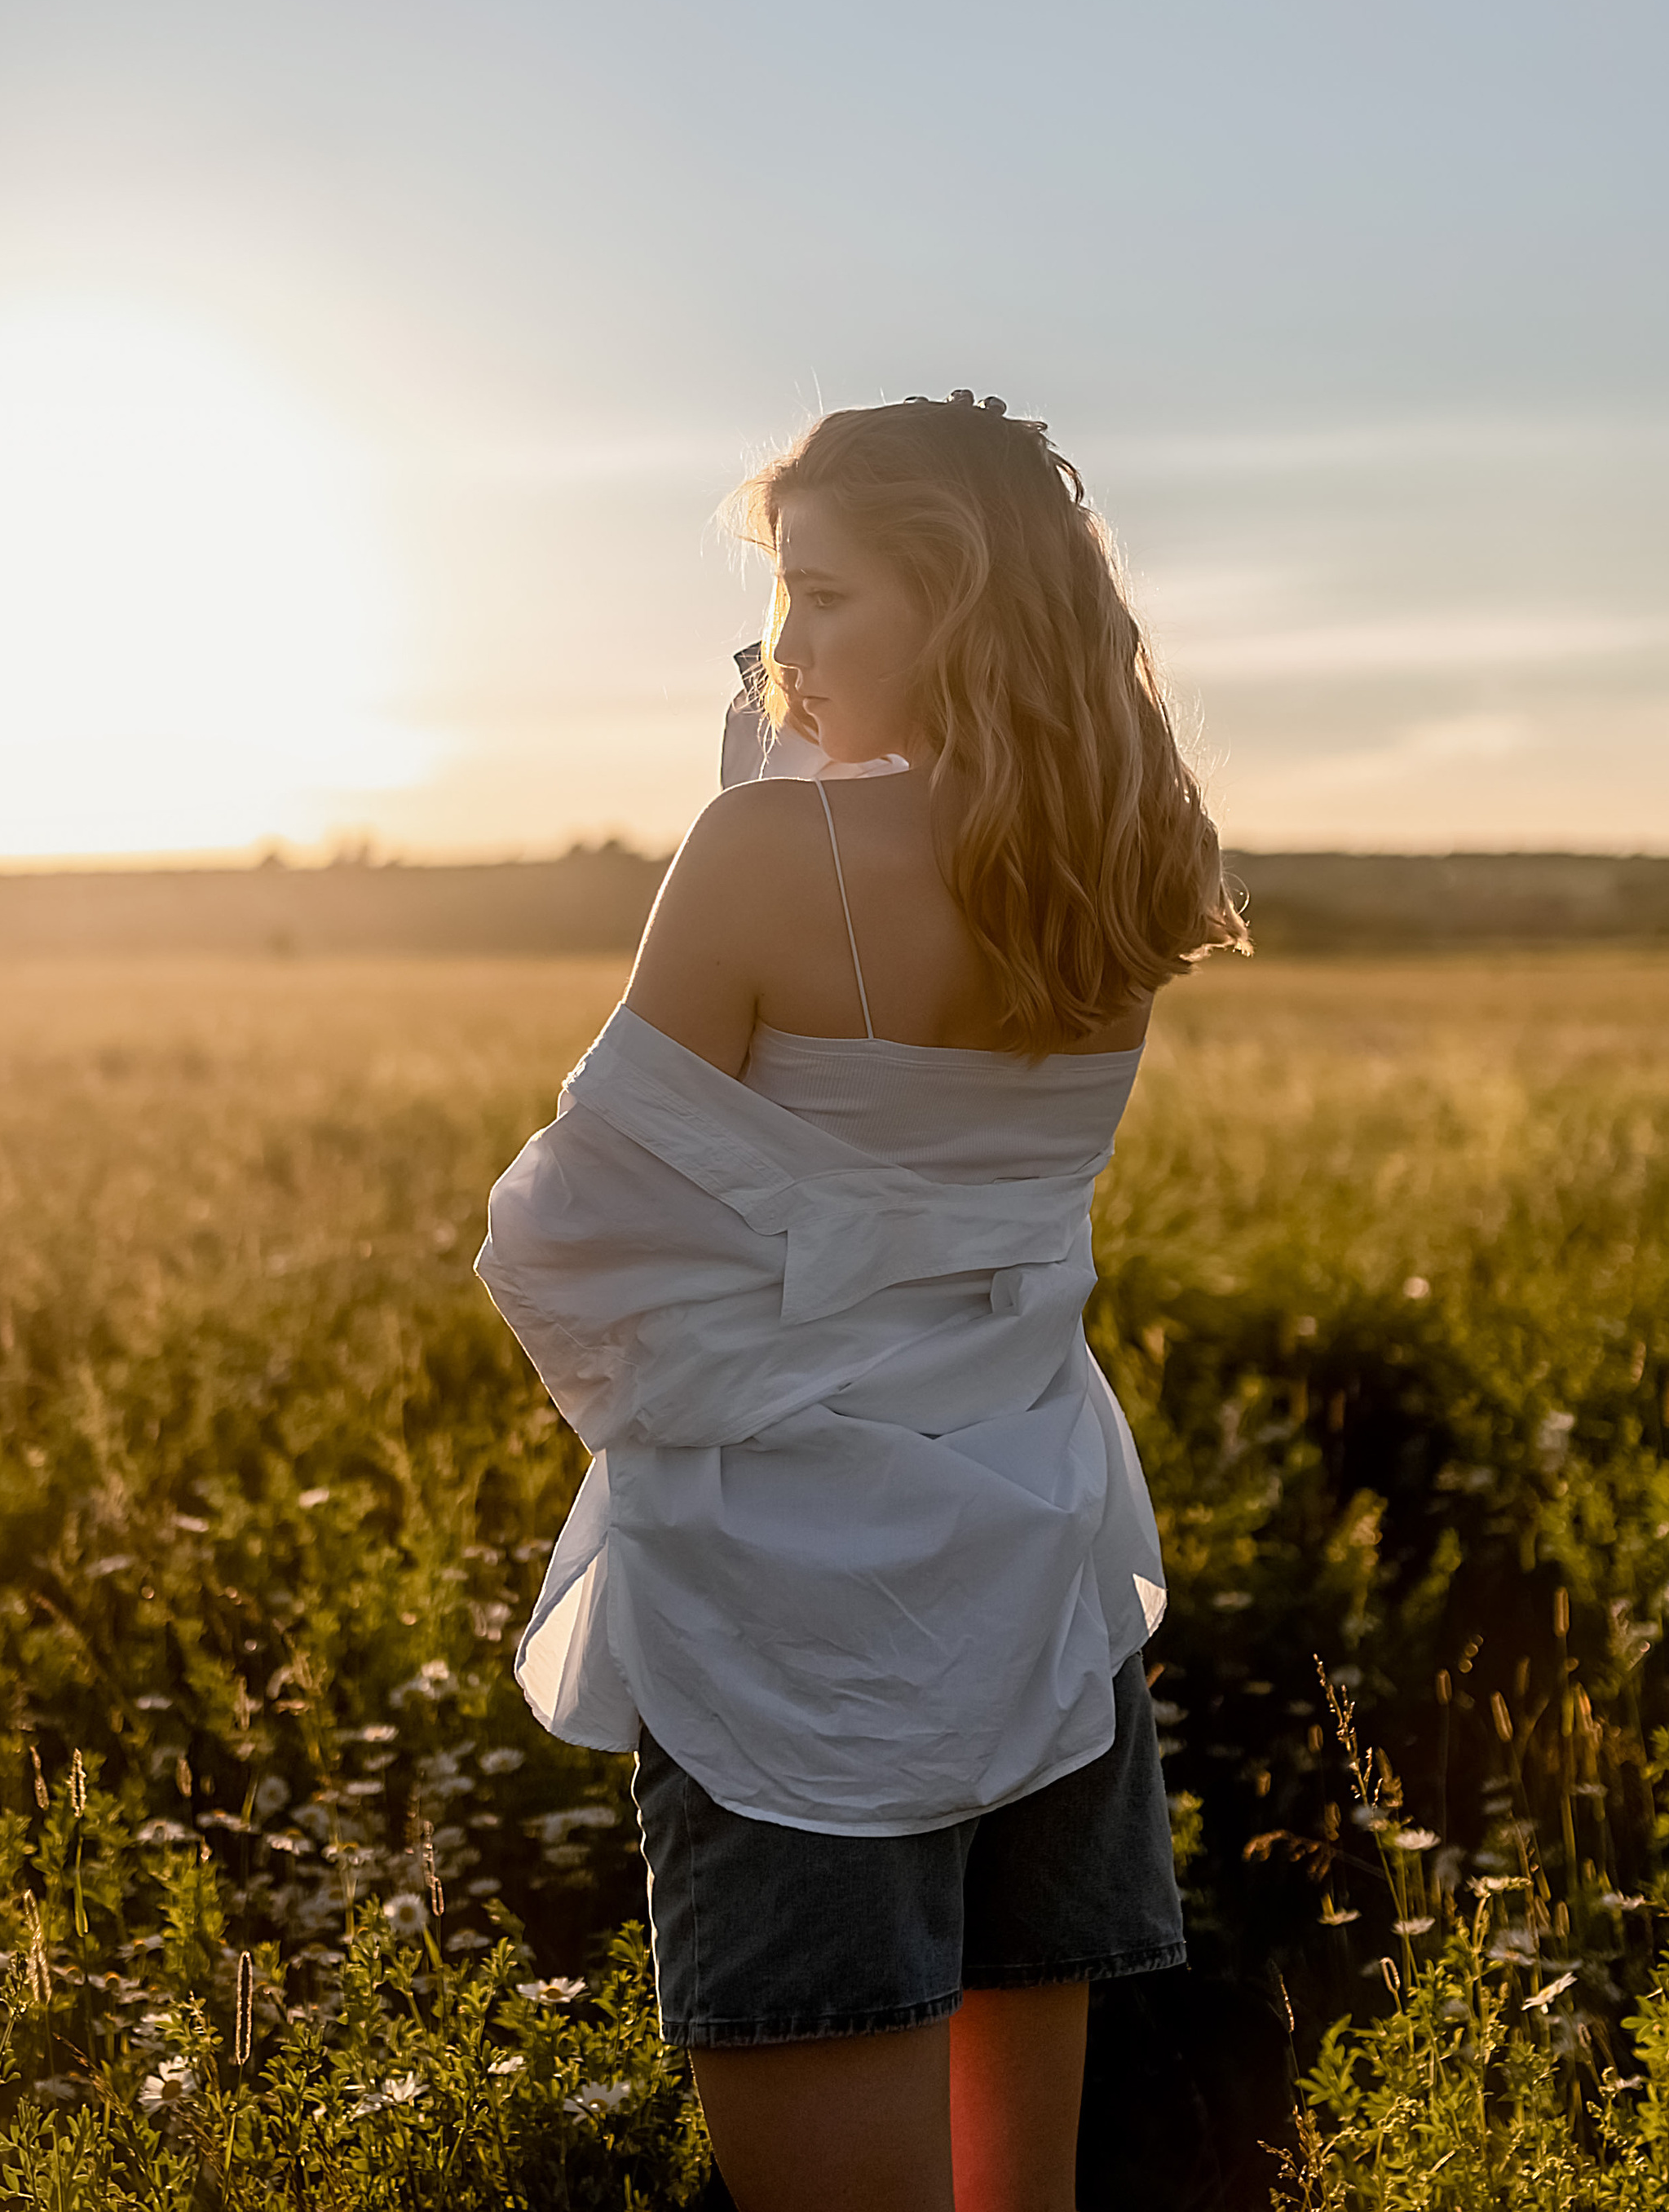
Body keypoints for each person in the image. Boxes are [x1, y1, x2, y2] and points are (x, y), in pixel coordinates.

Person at [477, 393, 1247, 2212]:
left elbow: (564, 1236)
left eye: (822, 597)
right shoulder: (1128, 853)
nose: (784, 651)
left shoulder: (766, 853)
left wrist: (764, 816)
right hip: (1042, 1577)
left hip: (797, 1622)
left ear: (954, 598)